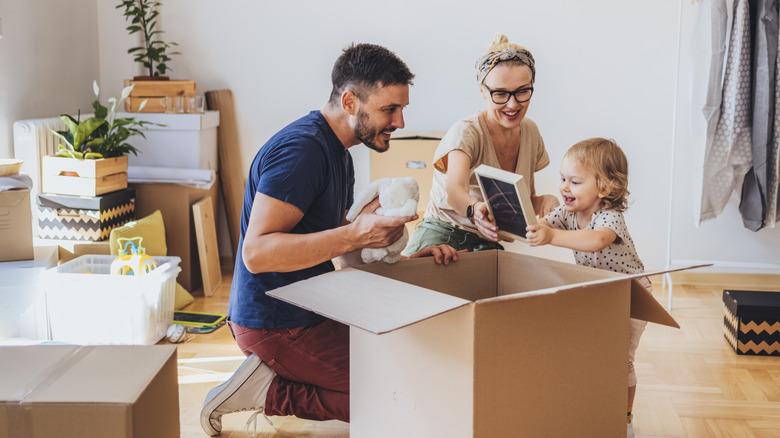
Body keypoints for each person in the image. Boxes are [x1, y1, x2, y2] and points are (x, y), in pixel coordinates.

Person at [200, 43, 461, 436]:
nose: (401, 122)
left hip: (310, 307)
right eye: (390, 109)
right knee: (404, 395)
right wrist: (353, 233)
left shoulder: (339, 150)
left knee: (413, 374)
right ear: (350, 100)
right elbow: (256, 253)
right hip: (275, 321)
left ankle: (274, 379)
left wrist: (408, 261)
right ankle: (269, 390)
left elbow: (337, 247)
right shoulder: (302, 151)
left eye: (402, 109)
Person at [524, 137, 648, 438]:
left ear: (604, 188)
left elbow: (595, 242)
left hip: (631, 296)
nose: (565, 187)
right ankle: (593, 406)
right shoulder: (568, 213)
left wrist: (551, 237)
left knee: (620, 360)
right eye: (563, 179)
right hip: (600, 295)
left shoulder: (609, 217)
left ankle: (624, 418)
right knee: (594, 353)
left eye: (575, 181)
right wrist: (527, 222)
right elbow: (542, 224)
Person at [402, 33, 559, 255]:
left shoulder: (530, 132)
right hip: (443, 236)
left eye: (522, 91)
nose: (512, 104)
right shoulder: (467, 132)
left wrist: (545, 201)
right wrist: (475, 209)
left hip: (486, 245)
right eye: (500, 93)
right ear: (483, 91)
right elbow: (454, 191)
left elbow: (524, 201)